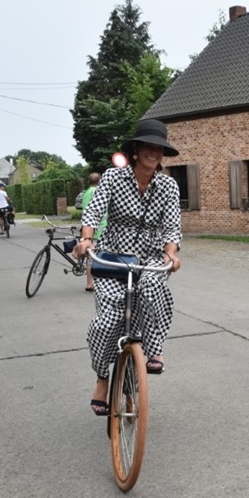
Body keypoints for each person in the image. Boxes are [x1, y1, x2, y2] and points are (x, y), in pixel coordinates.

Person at [74, 119, 183, 417]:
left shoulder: (168, 186)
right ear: (136, 150)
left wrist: (171, 254)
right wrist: (86, 239)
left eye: (159, 148)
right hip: (114, 256)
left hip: (150, 256)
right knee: (107, 321)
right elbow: (93, 212)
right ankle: (102, 378)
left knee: (152, 288)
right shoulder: (113, 178)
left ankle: (154, 349)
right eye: (148, 146)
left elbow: (172, 227)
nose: (153, 152)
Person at [81, 172, 104, 292]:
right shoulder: (97, 192)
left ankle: (89, 283)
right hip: (100, 229)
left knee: (90, 257)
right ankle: (94, 283)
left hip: (88, 229)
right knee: (97, 257)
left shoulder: (86, 193)